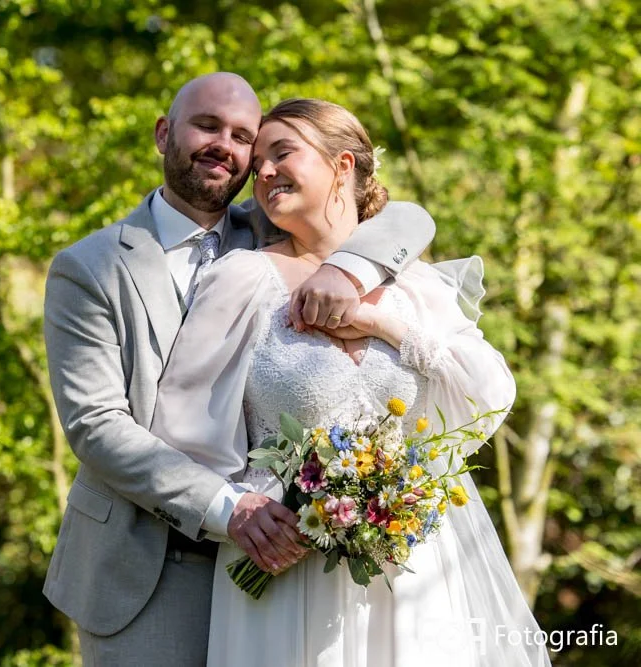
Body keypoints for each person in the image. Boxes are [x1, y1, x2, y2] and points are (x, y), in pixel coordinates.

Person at [43, 74, 436, 665]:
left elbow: (405, 218)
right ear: (163, 133)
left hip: (285, 577)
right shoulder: (90, 267)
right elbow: (96, 425)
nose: (224, 144)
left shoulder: (273, 228)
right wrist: (233, 509)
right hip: (145, 568)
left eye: (243, 136)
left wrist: (350, 270)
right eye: (207, 125)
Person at [151, 98, 551, 666]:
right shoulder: (241, 279)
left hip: (415, 570)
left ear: (342, 166)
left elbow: (490, 392)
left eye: (281, 153)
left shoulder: (412, 285)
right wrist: (239, 509)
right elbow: (181, 426)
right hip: (285, 567)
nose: (261, 172)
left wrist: (381, 323)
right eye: (258, 161)